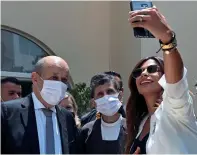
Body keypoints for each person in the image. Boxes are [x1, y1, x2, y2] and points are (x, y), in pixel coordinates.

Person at [126, 6, 197, 154]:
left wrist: (166, 38)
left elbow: (176, 83)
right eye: (138, 72)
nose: (144, 73)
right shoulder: (142, 121)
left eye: (151, 69)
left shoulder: (176, 109)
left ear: (165, 76)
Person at [1, 56, 78, 154]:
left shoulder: (67, 117)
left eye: (64, 80)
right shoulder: (7, 113)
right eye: (54, 78)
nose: (59, 84)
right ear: (35, 78)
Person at [78, 73, 127, 154]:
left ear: (120, 95)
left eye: (110, 91)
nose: (106, 97)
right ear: (94, 102)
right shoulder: (86, 132)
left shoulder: (132, 128)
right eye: (100, 94)